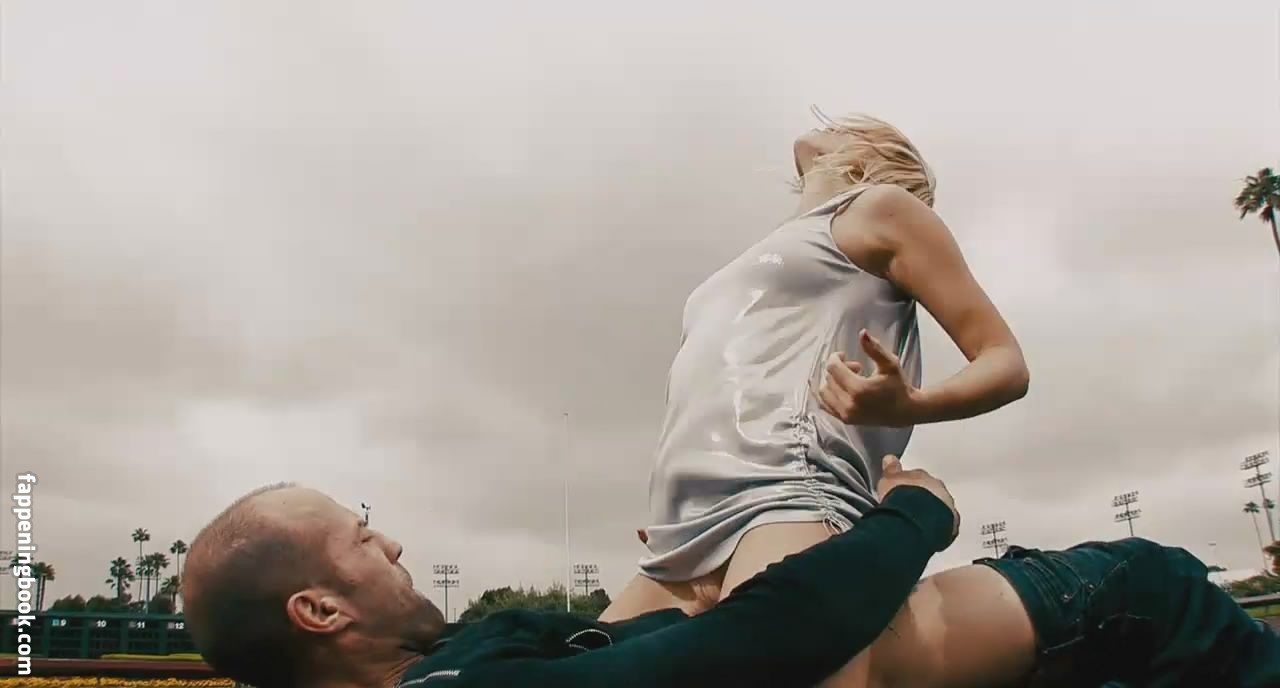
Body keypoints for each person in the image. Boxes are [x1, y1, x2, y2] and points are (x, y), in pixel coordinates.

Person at [181, 459, 1279, 688]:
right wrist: (914, 513)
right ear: (318, 609)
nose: (391, 546)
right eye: (361, 539)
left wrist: (683, 566)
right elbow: (767, 641)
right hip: (1118, 607)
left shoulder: (457, 662)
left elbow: (630, 643)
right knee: (1153, 576)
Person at [602, 112, 1032, 676]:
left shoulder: (880, 208)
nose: (824, 125)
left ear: (871, 158)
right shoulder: (772, 248)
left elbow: (1006, 361)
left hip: (789, 494)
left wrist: (911, 404)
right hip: (679, 539)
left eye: (846, 126)